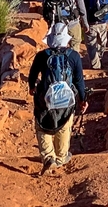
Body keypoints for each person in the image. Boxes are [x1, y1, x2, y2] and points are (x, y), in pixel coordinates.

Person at [28, 22, 87, 175]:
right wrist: (83, 99)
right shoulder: (74, 56)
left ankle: (48, 157)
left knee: (42, 127)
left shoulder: (42, 56)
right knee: (64, 126)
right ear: (66, 38)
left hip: (45, 98)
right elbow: (79, 80)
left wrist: (32, 88)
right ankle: (60, 158)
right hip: (66, 100)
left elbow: (32, 75)